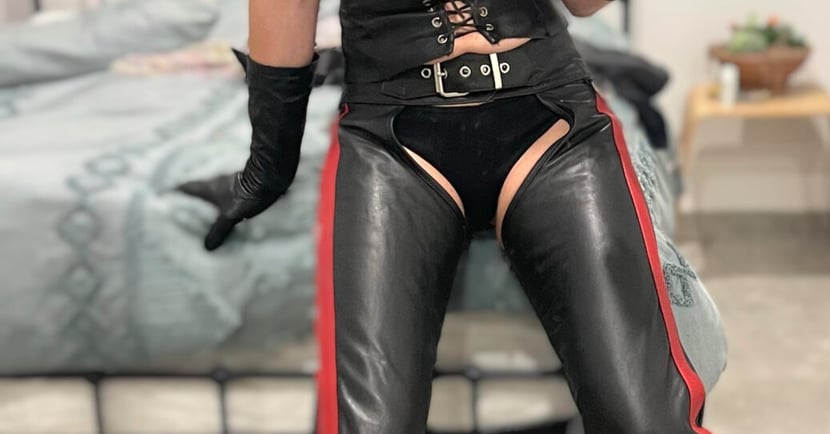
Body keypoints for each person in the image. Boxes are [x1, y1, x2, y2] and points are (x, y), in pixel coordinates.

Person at [178, 0, 718, 432]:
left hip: (551, 118)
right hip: (390, 134)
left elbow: (585, 5)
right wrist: (267, 170)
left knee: (646, 419)